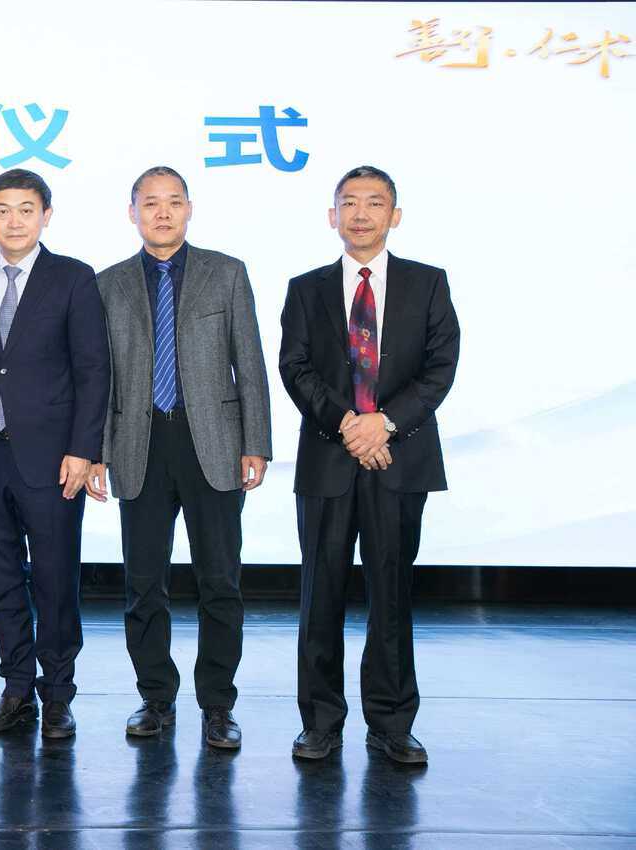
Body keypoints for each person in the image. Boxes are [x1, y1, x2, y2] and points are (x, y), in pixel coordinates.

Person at [279, 165, 460, 764]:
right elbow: (295, 368)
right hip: (328, 460)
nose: (361, 213)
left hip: (399, 458)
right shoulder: (305, 288)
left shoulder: (428, 283)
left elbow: (440, 367)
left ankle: (391, 723)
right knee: (320, 595)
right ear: (332, 216)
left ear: (394, 216)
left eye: (374, 202)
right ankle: (320, 722)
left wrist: (383, 423)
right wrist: (349, 425)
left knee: (392, 594)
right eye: (349, 203)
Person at [89, 166, 272, 748]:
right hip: (138, 444)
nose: (162, 213)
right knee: (144, 583)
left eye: (173, 202)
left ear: (189, 209)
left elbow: (250, 361)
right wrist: (96, 451)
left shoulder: (227, 273)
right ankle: (155, 698)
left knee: (220, 580)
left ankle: (218, 705)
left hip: (212, 443)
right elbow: (98, 376)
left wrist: (256, 442)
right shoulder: (108, 283)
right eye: (150, 203)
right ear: (132, 213)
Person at [0, 168, 110, 739]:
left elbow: (93, 370)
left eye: (26, 209)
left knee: (56, 580)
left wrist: (84, 450)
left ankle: (57, 694)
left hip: (54, 458)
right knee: (0, 580)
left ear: (46, 216)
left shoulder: (73, 278)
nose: (14, 221)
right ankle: (16, 688)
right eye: (3, 210)